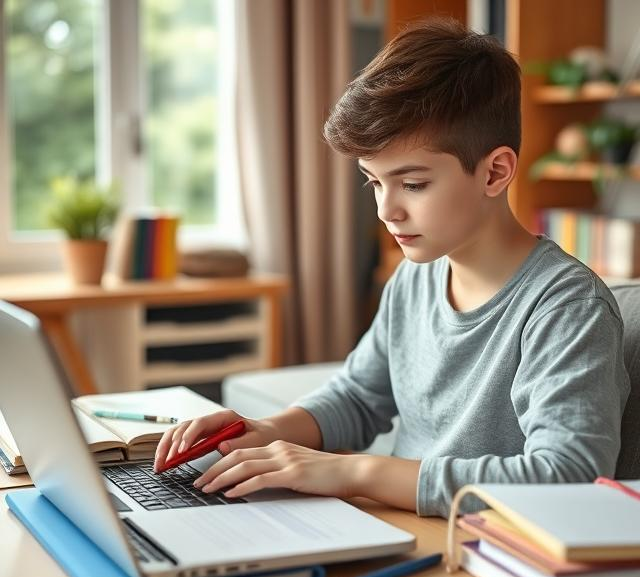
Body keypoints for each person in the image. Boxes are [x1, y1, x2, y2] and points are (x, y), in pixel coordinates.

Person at [154, 18, 629, 517]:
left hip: (484, 555)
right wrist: (267, 431)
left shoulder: (567, 308)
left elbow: (569, 476)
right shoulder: (416, 275)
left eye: (413, 184)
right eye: (374, 182)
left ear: (495, 171)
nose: (386, 210)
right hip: (397, 526)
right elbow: (361, 395)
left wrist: (355, 470)